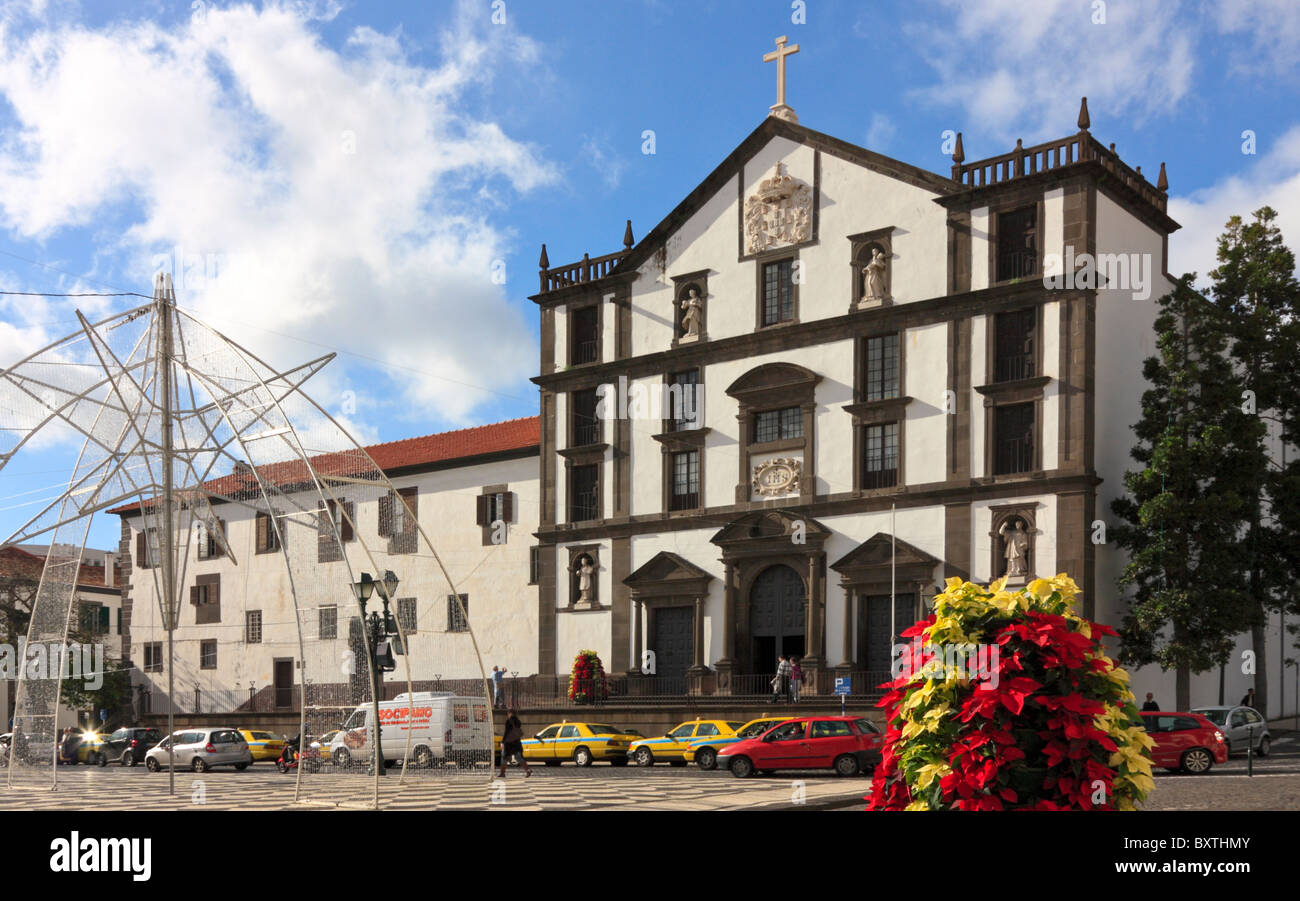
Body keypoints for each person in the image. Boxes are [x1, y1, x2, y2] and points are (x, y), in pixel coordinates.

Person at [498, 708, 531, 778]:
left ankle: (502, 773)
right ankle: (527, 770)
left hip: (509, 743)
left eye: (508, 713)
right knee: (518, 757)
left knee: (504, 756)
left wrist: (502, 742)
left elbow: (506, 733)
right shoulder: (518, 721)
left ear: (510, 713)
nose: (508, 715)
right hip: (516, 742)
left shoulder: (509, 721)